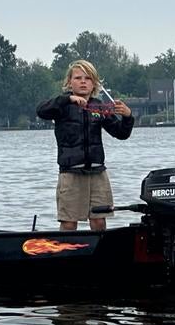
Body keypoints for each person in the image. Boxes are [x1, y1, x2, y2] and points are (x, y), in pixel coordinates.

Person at [36, 59, 133, 231]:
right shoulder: (62, 105)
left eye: (87, 78)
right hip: (71, 173)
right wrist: (67, 100)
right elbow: (41, 110)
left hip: (97, 173)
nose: (83, 81)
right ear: (69, 82)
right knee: (68, 222)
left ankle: (99, 255)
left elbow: (121, 134)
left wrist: (127, 117)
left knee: (99, 221)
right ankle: (67, 255)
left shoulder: (99, 107)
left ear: (94, 83)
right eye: (78, 78)